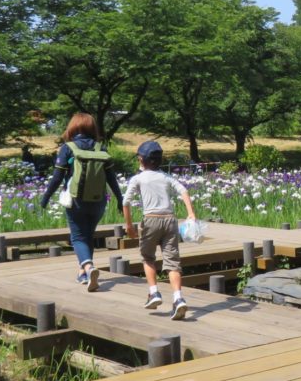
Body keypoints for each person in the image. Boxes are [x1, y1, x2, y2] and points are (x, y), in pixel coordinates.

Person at [40, 113, 124, 292]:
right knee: (87, 236)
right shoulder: (101, 148)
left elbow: (57, 178)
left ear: (73, 127)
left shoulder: (67, 148)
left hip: (76, 200)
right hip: (98, 200)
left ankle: (89, 268)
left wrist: (45, 198)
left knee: (77, 237)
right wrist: (119, 199)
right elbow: (111, 178)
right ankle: (84, 274)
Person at [122, 140, 197, 321]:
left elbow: (126, 202)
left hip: (151, 220)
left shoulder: (138, 178)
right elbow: (184, 191)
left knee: (148, 257)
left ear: (141, 159)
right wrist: (191, 213)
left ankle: (154, 293)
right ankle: (178, 298)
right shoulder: (165, 177)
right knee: (172, 262)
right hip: (170, 221)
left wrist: (129, 225)